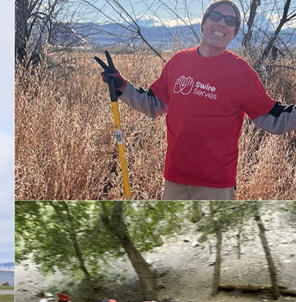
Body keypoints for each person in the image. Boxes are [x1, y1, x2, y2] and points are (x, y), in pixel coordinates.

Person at [96, 0, 296, 200]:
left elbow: (274, 118)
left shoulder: (242, 72)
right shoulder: (179, 62)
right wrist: (122, 86)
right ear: (203, 23)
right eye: (215, 16)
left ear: (234, 32)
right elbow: (152, 103)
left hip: (215, 186)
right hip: (175, 179)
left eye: (230, 20)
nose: (221, 23)